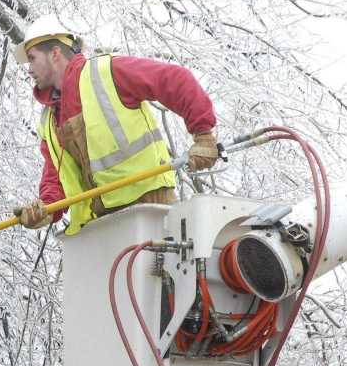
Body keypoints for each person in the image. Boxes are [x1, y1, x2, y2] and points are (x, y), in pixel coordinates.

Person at [13, 15, 219, 235]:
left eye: (32, 59)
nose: (29, 69)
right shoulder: (49, 120)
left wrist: (203, 134)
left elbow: (175, 79)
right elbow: (57, 178)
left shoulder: (105, 72)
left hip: (149, 206)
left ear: (54, 53)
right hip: (102, 224)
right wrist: (45, 209)